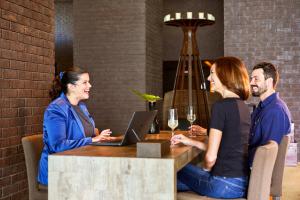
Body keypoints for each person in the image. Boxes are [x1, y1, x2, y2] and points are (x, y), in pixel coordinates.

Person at [171, 57, 251, 198]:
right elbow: (225, 149)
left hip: (222, 184)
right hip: (240, 184)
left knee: (171, 169)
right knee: (175, 181)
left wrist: (206, 169)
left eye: (212, 73)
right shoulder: (243, 107)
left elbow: (211, 157)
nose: (208, 78)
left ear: (225, 74)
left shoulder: (221, 107)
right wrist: (189, 141)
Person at [38, 67, 114, 185]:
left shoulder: (81, 106)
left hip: (80, 162)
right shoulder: (55, 109)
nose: (90, 86)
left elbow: (86, 132)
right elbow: (57, 146)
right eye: (85, 82)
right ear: (71, 86)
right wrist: (92, 139)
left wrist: (101, 138)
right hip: (59, 171)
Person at [248, 62, 291, 166]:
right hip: (248, 162)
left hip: (254, 170)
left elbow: (266, 156)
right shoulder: (263, 106)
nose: (251, 82)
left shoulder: (275, 110)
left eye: (256, 79)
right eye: (251, 78)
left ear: (269, 82)